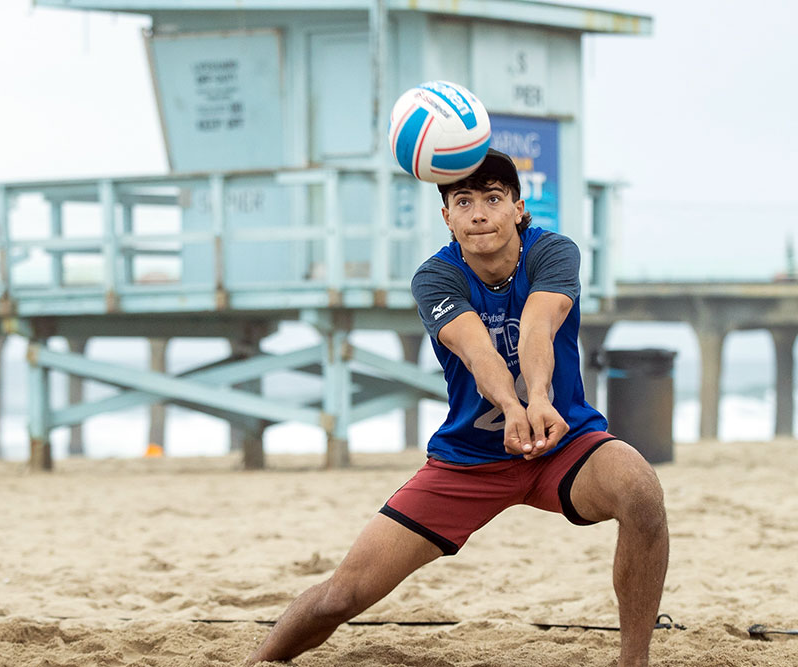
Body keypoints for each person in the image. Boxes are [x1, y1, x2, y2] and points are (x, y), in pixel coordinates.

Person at [245, 149, 669, 667]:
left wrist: (537, 399)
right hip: (470, 460)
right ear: (446, 215)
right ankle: (260, 661)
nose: (479, 213)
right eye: (463, 201)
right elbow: (477, 351)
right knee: (342, 596)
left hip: (564, 442)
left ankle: (634, 663)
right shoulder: (435, 277)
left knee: (640, 490)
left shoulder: (553, 252)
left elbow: (540, 324)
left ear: (516, 206)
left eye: (493, 198)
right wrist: (513, 410)